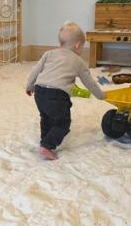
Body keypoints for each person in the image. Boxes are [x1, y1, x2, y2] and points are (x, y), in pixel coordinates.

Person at [26, 22, 104, 160]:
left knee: (46, 118)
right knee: (62, 123)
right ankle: (47, 146)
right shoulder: (78, 61)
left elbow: (35, 70)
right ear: (78, 45)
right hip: (57, 95)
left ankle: (45, 141)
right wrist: (100, 95)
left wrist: (29, 86)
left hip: (40, 91)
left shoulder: (49, 54)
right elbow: (89, 82)